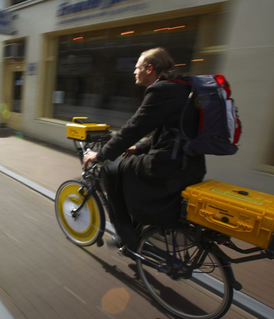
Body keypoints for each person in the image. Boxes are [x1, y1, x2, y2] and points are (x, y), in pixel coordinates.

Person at [83, 47, 206, 252]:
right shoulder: (183, 88)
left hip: (170, 168)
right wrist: (139, 146)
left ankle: (126, 238)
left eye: (137, 67)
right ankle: (137, 229)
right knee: (128, 169)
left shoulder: (161, 91)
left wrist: (101, 154)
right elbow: (172, 132)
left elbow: (134, 126)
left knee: (110, 170)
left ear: (149, 68)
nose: (134, 71)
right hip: (191, 165)